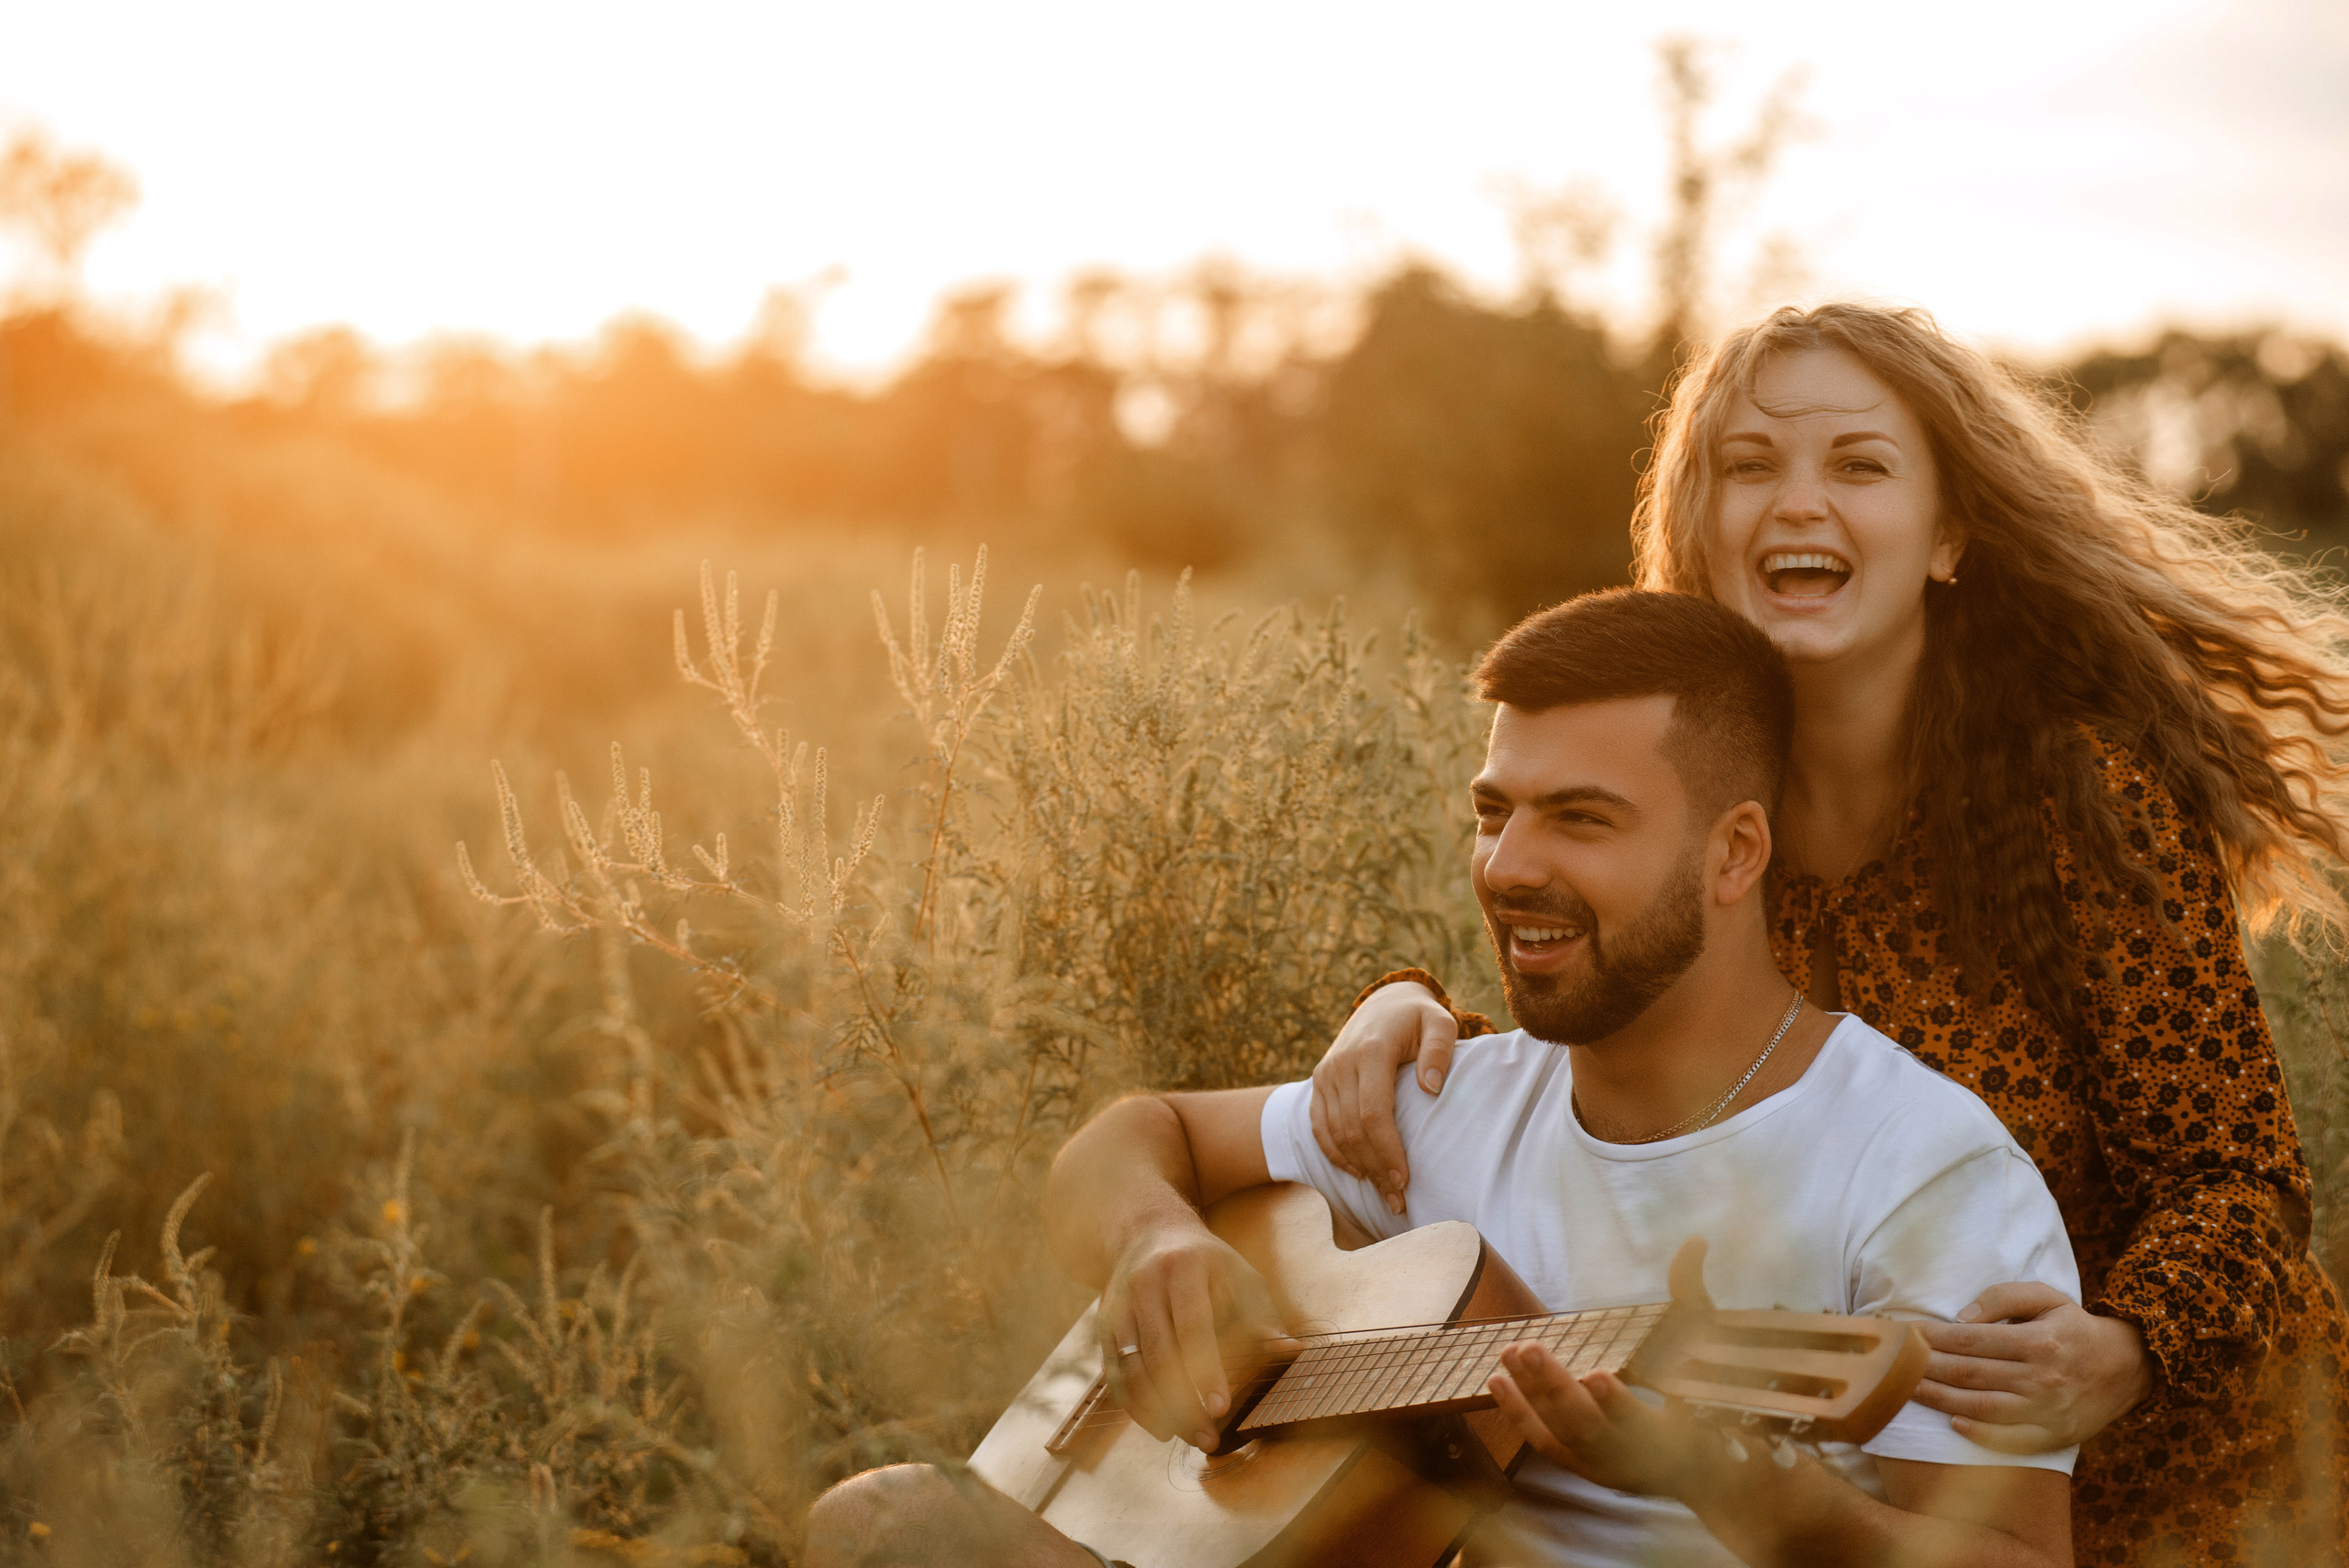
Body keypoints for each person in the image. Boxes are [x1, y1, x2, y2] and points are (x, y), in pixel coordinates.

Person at [1308, 303, 2349, 1566]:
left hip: (2204, 1482)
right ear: (1702, 531)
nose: (1799, 499)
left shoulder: (2081, 799)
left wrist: (2123, 1343)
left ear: (1949, 536)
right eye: (1751, 465)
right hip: (1893, 1492)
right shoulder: (1691, 804)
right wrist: (1407, 1011)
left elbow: (2238, 1179)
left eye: (1858, 463)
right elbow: (1627, 1060)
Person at [807, 590, 2080, 1568]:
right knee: (877, 1521)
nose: (1509, 864)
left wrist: (1730, 1480)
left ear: (1735, 849)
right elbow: (1124, 1142)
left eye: (1580, 818)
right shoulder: (1439, 1096)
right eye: (1493, 810)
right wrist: (1152, 1242)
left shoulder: (1922, 1166)